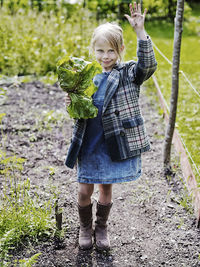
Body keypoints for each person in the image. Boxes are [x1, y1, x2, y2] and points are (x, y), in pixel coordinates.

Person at [65, 2, 157, 251]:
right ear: (93, 50)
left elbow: (147, 66)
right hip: (90, 144)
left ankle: (101, 227)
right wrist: (71, 103)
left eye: (111, 51)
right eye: (100, 51)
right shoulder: (85, 75)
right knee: (85, 190)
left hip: (112, 143)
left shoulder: (128, 74)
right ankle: (85, 227)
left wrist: (140, 32)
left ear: (120, 51)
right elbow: (78, 110)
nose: (105, 56)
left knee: (106, 188)